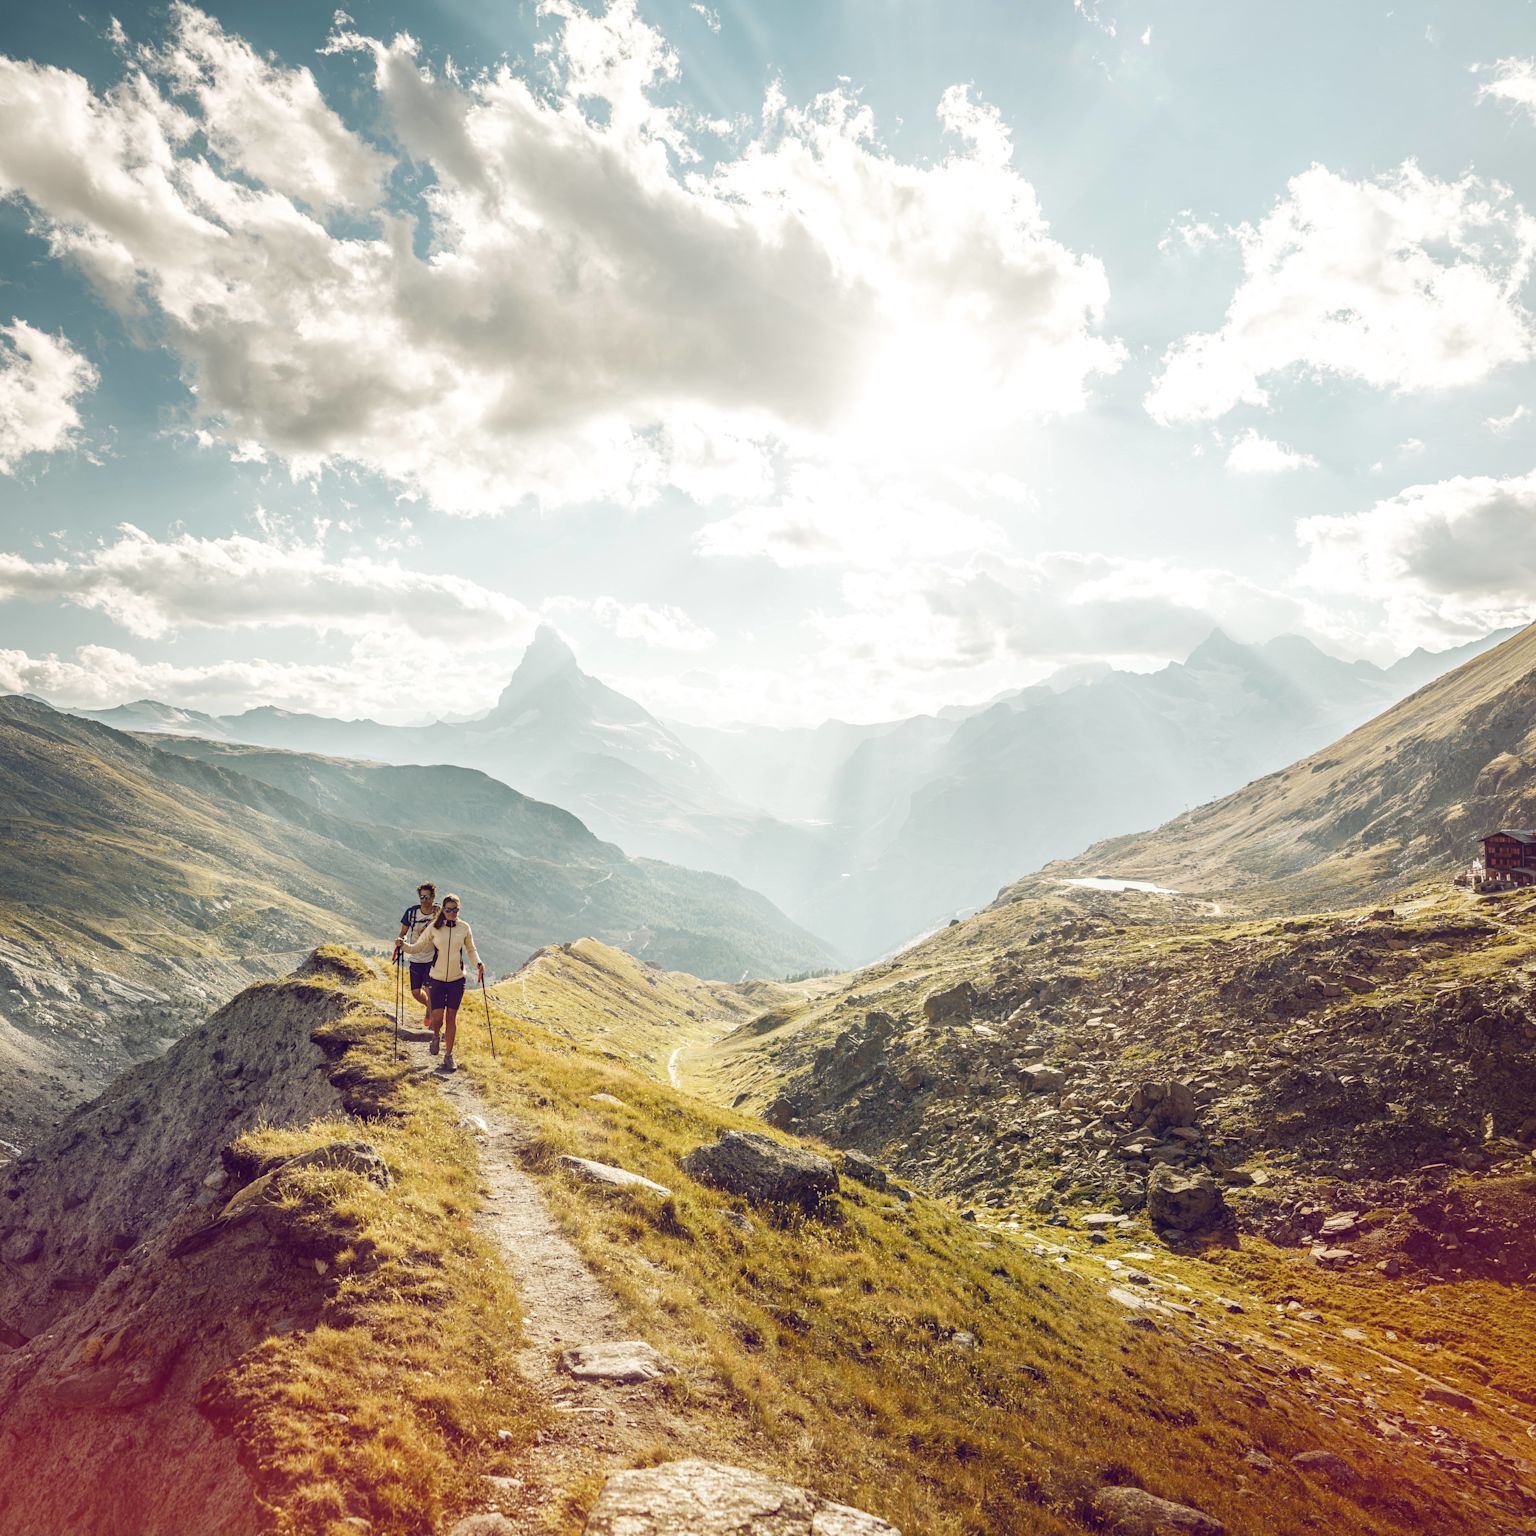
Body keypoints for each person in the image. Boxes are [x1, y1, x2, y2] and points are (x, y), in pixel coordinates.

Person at [401, 893, 483, 1073]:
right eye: (448, 909)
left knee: (451, 1018)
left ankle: (449, 1055)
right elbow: (418, 947)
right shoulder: (434, 927)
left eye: (455, 910)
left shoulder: (464, 927)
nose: (452, 912)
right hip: (436, 979)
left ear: (458, 910)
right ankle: (436, 1036)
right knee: (437, 1018)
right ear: (443, 910)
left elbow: (471, 949)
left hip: (456, 980)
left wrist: (477, 963)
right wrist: (403, 946)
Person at [394, 882, 440, 1039]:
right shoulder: (411, 913)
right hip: (415, 956)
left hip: (433, 956)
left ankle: (434, 1023)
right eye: (422, 897)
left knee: (429, 988)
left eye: (428, 897)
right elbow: (403, 932)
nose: (425, 900)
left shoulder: (439, 912)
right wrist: (400, 940)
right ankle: (430, 1007)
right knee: (415, 992)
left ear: (433, 897)